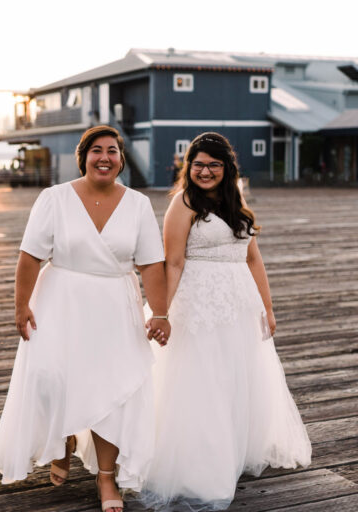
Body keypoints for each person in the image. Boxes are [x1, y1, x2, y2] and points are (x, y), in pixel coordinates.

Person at [0, 125, 170, 512]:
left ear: (121, 159)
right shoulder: (55, 198)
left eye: (113, 151)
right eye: (96, 150)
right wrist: (21, 305)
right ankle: (63, 439)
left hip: (115, 304)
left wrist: (161, 312)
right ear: (83, 157)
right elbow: (30, 256)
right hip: (59, 299)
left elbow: (151, 263)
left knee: (111, 390)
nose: (105, 157)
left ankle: (105, 477)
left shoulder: (137, 205)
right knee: (50, 377)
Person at [138, 133, 311, 511]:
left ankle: (234, 450)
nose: (205, 171)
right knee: (204, 381)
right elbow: (174, 262)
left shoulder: (236, 201)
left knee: (236, 377)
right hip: (197, 304)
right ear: (189, 167)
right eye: (198, 164)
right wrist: (163, 312)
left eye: (214, 164)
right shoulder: (182, 204)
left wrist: (268, 307)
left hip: (238, 304)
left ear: (226, 167)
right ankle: (199, 465)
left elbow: (253, 259)